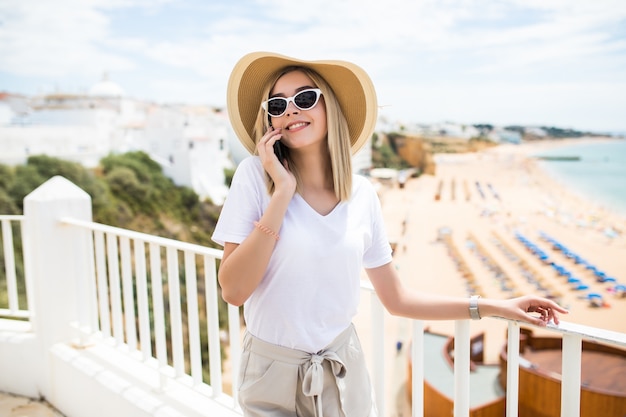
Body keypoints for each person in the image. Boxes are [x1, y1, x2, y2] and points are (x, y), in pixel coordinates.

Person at [212, 51, 568, 417]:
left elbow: (397, 299)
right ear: (269, 119)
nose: (290, 110)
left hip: (342, 368)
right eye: (277, 103)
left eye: (305, 98)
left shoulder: (363, 194)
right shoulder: (254, 177)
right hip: (271, 375)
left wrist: (494, 307)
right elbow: (234, 291)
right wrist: (282, 193)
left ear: (329, 107)